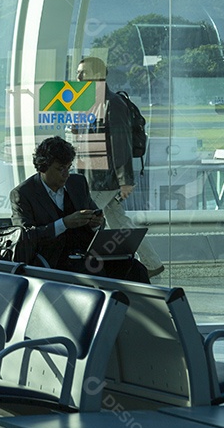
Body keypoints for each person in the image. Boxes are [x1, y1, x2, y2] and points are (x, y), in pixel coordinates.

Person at [10, 136, 148, 283]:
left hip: (86, 254)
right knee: (93, 271)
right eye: (60, 169)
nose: (66, 174)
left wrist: (96, 223)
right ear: (43, 167)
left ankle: (146, 305)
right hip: (53, 260)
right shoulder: (23, 194)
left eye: (68, 168)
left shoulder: (77, 183)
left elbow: (98, 217)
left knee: (135, 268)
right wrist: (64, 224)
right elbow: (24, 238)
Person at [74, 55, 164, 277]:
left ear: (97, 75)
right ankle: (152, 263)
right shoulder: (90, 103)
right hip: (91, 175)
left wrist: (125, 182)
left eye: (82, 73)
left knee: (84, 220)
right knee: (119, 222)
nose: (77, 76)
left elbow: (120, 145)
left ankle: (81, 266)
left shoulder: (112, 103)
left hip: (105, 180)